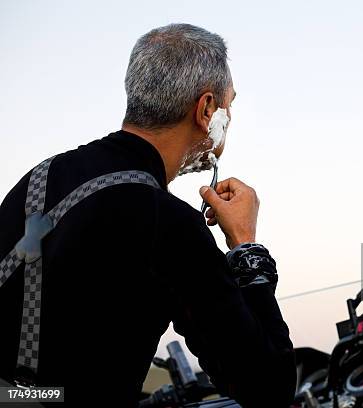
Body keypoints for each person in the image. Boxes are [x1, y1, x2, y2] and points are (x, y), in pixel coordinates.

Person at [0, 23, 296, 407]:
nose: (229, 117)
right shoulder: (166, 222)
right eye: (229, 104)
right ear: (207, 110)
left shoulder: (39, 178)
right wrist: (245, 245)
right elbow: (267, 386)